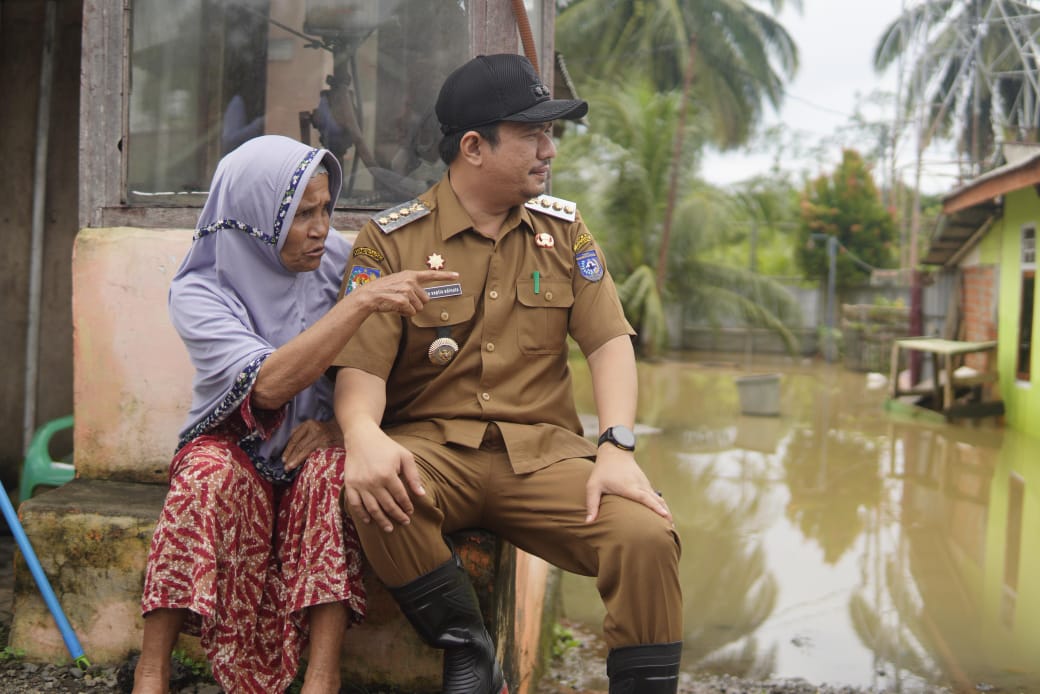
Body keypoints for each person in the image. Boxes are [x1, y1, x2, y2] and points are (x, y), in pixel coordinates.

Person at [332, 54, 683, 694]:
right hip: (435, 451)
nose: (549, 148)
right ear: (473, 146)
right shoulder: (390, 243)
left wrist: (617, 446)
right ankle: (467, 646)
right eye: (532, 134)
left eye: (550, 134)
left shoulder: (565, 231)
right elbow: (362, 369)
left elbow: (608, 344)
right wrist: (361, 434)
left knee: (646, 534)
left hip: (544, 457)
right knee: (377, 489)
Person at [132, 135, 455, 694]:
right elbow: (268, 388)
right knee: (202, 477)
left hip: (314, 447)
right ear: (258, 217)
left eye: (327, 208)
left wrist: (338, 426)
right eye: (303, 213)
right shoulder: (200, 289)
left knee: (336, 471)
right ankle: (151, 669)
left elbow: (389, 360)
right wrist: (360, 302)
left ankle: (322, 678)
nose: (322, 228)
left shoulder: (339, 261)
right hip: (236, 447)